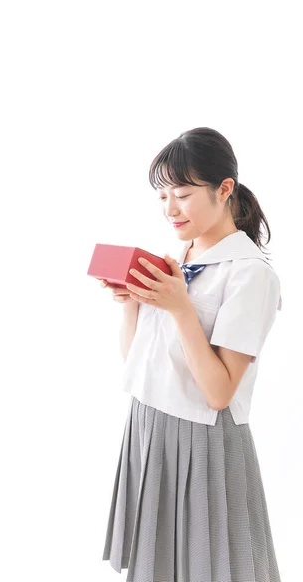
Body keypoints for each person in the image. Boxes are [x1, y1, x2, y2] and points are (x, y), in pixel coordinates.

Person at [99, 127, 283, 582]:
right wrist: (133, 306)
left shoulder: (251, 275)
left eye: (182, 194)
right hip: (149, 421)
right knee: (161, 568)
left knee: (213, 566)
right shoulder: (177, 258)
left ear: (224, 189)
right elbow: (138, 365)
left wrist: (180, 308)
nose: (170, 209)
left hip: (203, 437)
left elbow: (219, 393)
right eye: (162, 196)